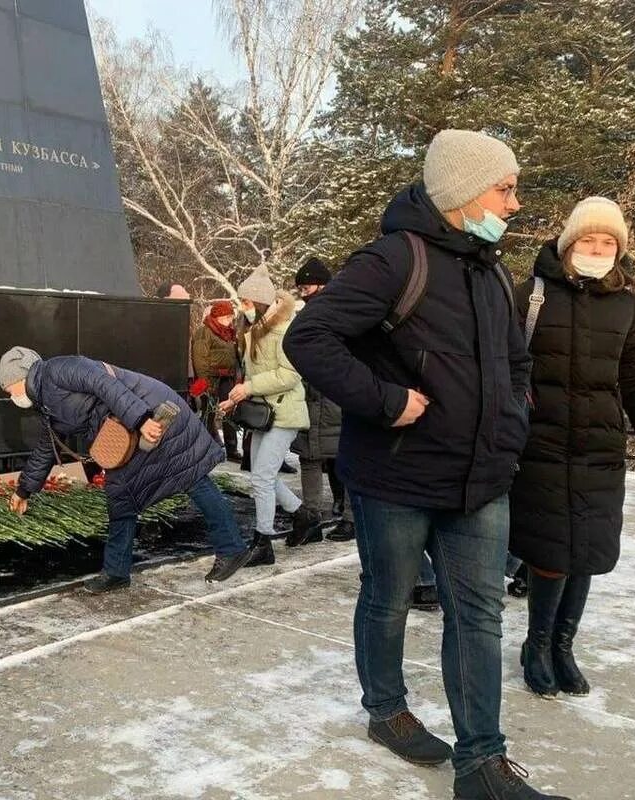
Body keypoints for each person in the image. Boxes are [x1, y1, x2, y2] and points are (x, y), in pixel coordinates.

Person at [286, 130, 569, 800]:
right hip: (397, 477)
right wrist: (383, 401)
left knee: (478, 614)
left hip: (482, 480)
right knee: (387, 598)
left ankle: (482, 766)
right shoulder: (392, 260)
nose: (515, 200)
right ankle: (386, 711)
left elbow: (515, 361)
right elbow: (310, 336)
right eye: (505, 187)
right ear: (462, 192)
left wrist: (514, 417)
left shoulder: (492, 269)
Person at [511, 198, 635, 698]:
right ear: (569, 244)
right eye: (589, 240)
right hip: (542, 447)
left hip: (600, 451)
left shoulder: (627, 304)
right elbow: (506, 371)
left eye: (608, 242)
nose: (598, 249)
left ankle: (564, 647)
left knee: (586, 552)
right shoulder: (531, 297)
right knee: (550, 553)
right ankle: (537, 645)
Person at [0, 347, 251, 593]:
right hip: (126, 432)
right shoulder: (46, 405)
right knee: (121, 497)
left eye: (9, 389)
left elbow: (105, 384)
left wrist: (141, 420)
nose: (11, 397)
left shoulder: (58, 369)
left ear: (20, 377)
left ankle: (232, 549)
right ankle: (116, 572)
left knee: (191, 477)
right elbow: (46, 448)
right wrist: (24, 491)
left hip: (154, 415)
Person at [221, 265, 321, 566]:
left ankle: (263, 541)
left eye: (247, 302)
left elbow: (290, 375)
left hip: (284, 412)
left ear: (261, 302)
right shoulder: (254, 331)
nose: (243, 307)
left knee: (262, 477)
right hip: (265, 413)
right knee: (261, 475)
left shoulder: (283, 330)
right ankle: (304, 517)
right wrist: (238, 394)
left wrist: (248, 387)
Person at [292, 257, 353, 544]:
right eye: (300, 288)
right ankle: (312, 517)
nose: (304, 293)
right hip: (310, 397)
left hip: (333, 399)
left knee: (343, 460)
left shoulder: (340, 315)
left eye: (307, 286)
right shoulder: (304, 317)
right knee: (310, 459)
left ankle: (351, 519)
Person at [191, 299, 242, 461]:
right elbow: (200, 358)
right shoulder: (204, 332)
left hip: (227, 378)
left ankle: (232, 449)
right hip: (210, 379)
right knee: (208, 413)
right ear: (217, 316)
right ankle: (204, 449)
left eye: (230, 317)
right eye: (226, 317)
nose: (229, 320)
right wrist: (205, 382)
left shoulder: (229, 333)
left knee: (229, 411)